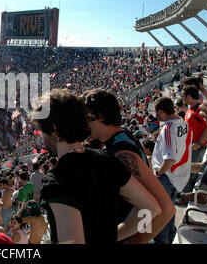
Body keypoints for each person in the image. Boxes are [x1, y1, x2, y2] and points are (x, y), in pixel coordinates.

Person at [32, 89, 162, 244]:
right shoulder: (107, 159)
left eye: (42, 131)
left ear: (53, 129)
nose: (43, 137)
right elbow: (150, 208)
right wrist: (114, 235)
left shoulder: (56, 181)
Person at [84, 89, 174, 244]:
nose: (82, 124)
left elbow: (165, 209)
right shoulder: (120, 137)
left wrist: (133, 241)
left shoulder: (122, 152)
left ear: (99, 117)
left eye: (85, 118)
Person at [151, 97, 192, 244]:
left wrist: (158, 173)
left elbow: (170, 158)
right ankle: (170, 236)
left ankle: (163, 241)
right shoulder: (185, 124)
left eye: (156, 113)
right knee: (170, 209)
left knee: (162, 214)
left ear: (161, 112)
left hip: (167, 176)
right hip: (179, 176)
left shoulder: (168, 129)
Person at [180, 85, 207, 194]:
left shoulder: (200, 109)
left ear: (189, 96)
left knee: (190, 173)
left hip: (198, 147)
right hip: (190, 146)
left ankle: (187, 195)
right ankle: (185, 194)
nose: (181, 97)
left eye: (183, 95)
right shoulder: (189, 110)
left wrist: (199, 143)